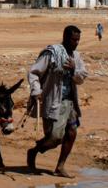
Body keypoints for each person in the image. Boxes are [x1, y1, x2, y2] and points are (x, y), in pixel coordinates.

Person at [26, 25, 88, 178]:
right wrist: (36, 90)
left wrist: (74, 70)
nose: (76, 43)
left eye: (78, 40)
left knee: (72, 133)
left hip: (70, 102)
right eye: (74, 40)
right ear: (66, 37)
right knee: (55, 137)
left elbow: (82, 78)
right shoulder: (51, 54)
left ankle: (60, 166)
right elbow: (33, 73)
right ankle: (34, 151)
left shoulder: (76, 57)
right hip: (53, 101)